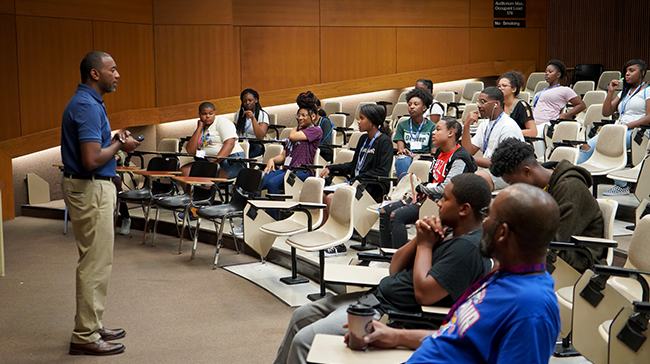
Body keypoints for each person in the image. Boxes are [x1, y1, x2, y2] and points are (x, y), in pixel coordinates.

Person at [274, 173, 493, 364]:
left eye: (445, 199)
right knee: (301, 316)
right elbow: (395, 267)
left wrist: (426, 245)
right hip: (377, 297)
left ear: (464, 209)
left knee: (305, 341)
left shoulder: (467, 249)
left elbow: (425, 294)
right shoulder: (449, 231)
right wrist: (420, 238)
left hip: (391, 313)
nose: (438, 203)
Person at [348, 184, 561, 364]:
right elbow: (458, 336)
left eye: (489, 218)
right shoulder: (507, 278)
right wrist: (396, 336)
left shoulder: (532, 308)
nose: (483, 223)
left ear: (502, 232)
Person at [61, 51, 140, 356]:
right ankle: (85, 335)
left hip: (90, 188)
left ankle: (92, 323)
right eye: (113, 69)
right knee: (95, 264)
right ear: (95, 74)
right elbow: (92, 159)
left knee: (96, 262)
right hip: (91, 189)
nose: (117, 74)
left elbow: (95, 148)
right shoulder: (86, 106)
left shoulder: (88, 103)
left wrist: (114, 138)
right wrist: (121, 144)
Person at [489, 138, 605, 272]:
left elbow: (557, 239)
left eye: (512, 183)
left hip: (577, 258)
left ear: (527, 171)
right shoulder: (538, 188)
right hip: (552, 253)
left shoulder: (570, 187)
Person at [379, 117, 476, 249]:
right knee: (384, 211)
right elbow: (433, 181)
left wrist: (422, 188)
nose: (433, 132)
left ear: (451, 133)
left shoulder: (460, 158)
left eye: (438, 129)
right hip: (428, 197)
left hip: (442, 203)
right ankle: (386, 256)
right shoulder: (440, 152)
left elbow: (446, 188)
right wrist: (422, 191)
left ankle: (400, 261)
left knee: (397, 216)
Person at [318, 104, 393, 256]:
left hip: (371, 189)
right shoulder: (364, 139)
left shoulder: (384, 141)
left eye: (362, 118)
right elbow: (354, 165)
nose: (358, 121)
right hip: (357, 185)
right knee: (323, 194)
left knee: (332, 198)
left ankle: (339, 244)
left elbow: (382, 171)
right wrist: (333, 167)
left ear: (372, 122)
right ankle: (328, 237)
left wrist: (357, 179)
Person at [579, 59, 650, 195]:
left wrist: (625, 127)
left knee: (612, 145)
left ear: (642, 73)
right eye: (626, 71)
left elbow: (648, 117)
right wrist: (610, 91)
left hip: (637, 131)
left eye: (631, 70)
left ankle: (622, 185)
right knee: (586, 146)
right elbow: (606, 112)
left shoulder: (648, 90)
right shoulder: (624, 92)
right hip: (618, 130)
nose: (627, 74)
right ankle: (578, 179)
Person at [461, 87, 524, 190]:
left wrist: (468, 158)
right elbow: (469, 151)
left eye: (483, 102)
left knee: (474, 180)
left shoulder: (508, 126)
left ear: (496, 104)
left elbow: (502, 163)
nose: (479, 106)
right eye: (479, 102)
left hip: (506, 173)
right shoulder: (484, 124)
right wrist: (467, 126)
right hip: (487, 170)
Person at [262, 91, 322, 195]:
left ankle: (276, 211)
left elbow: (292, 137)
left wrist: (295, 128)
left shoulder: (315, 131)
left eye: (303, 115)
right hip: (288, 169)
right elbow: (284, 155)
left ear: (312, 116)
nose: (300, 118)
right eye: (298, 115)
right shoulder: (297, 131)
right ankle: (255, 210)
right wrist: (272, 159)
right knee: (257, 180)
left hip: (302, 171)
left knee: (273, 184)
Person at [183, 102, 246, 180]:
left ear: (215, 113)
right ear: (199, 114)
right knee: (185, 171)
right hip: (208, 161)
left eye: (211, 113)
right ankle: (189, 193)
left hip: (231, 160)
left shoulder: (222, 122)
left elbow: (229, 144)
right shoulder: (201, 128)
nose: (208, 116)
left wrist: (214, 162)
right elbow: (191, 151)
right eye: (204, 114)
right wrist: (198, 128)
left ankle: (206, 191)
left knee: (208, 178)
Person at [532, 60, 586, 136]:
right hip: (534, 124)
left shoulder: (565, 90)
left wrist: (565, 115)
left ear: (558, 75)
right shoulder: (542, 90)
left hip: (547, 124)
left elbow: (581, 105)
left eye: (550, 72)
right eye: (546, 72)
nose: (547, 74)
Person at [394, 87, 436, 180]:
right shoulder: (402, 125)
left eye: (416, 104)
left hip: (424, 159)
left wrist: (416, 156)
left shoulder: (432, 127)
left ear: (424, 108)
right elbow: (400, 150)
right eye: (409, 104)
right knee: (402, 159)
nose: (411, 107)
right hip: (407, 157)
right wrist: (404, 151)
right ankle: (404, 188)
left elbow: (434, 153)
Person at [497, 71, 537, 137]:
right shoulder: (499, 105)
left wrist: (509, 132)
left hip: (517, 143)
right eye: (499, 86)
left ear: (514, 89)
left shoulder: (522, 106)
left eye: (504, 86)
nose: (500, 88)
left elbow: (533, 132)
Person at [233, 88, 269, 158]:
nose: (247, 103)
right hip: (240, 143)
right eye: (244, 101)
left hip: (254, 145)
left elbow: (260, 136)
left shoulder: (263, 115)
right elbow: (234, 130)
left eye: (250, 100)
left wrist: (253, 119)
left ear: (256, 100)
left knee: (243, 156)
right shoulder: (239, 113)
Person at [314, 96, 335, 162]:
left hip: (323, 153)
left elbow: (326, 143)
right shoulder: (306, 123)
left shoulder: (325, 122)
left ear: (318, 108)